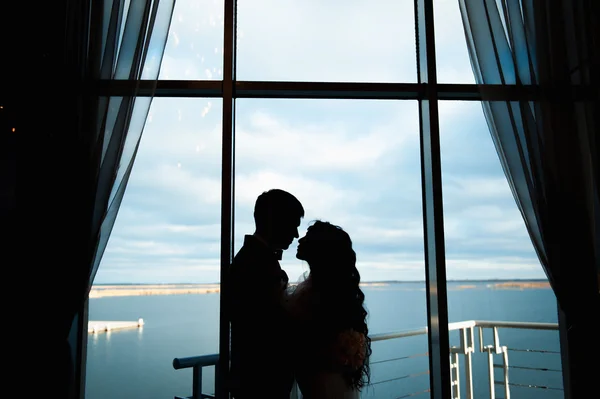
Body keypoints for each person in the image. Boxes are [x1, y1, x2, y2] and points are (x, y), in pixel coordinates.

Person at [228, 189, 304, 399]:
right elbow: (267, 326)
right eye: (293, 225)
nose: (296, 234)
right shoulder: (255, 264)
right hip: (261, 383)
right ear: (276, 221)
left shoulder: (253, 259)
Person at [287, 221, 372, 399]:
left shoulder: (318, 295)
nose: (300, 239)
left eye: (308, 237)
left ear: (321, 248)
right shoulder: (325, 292)